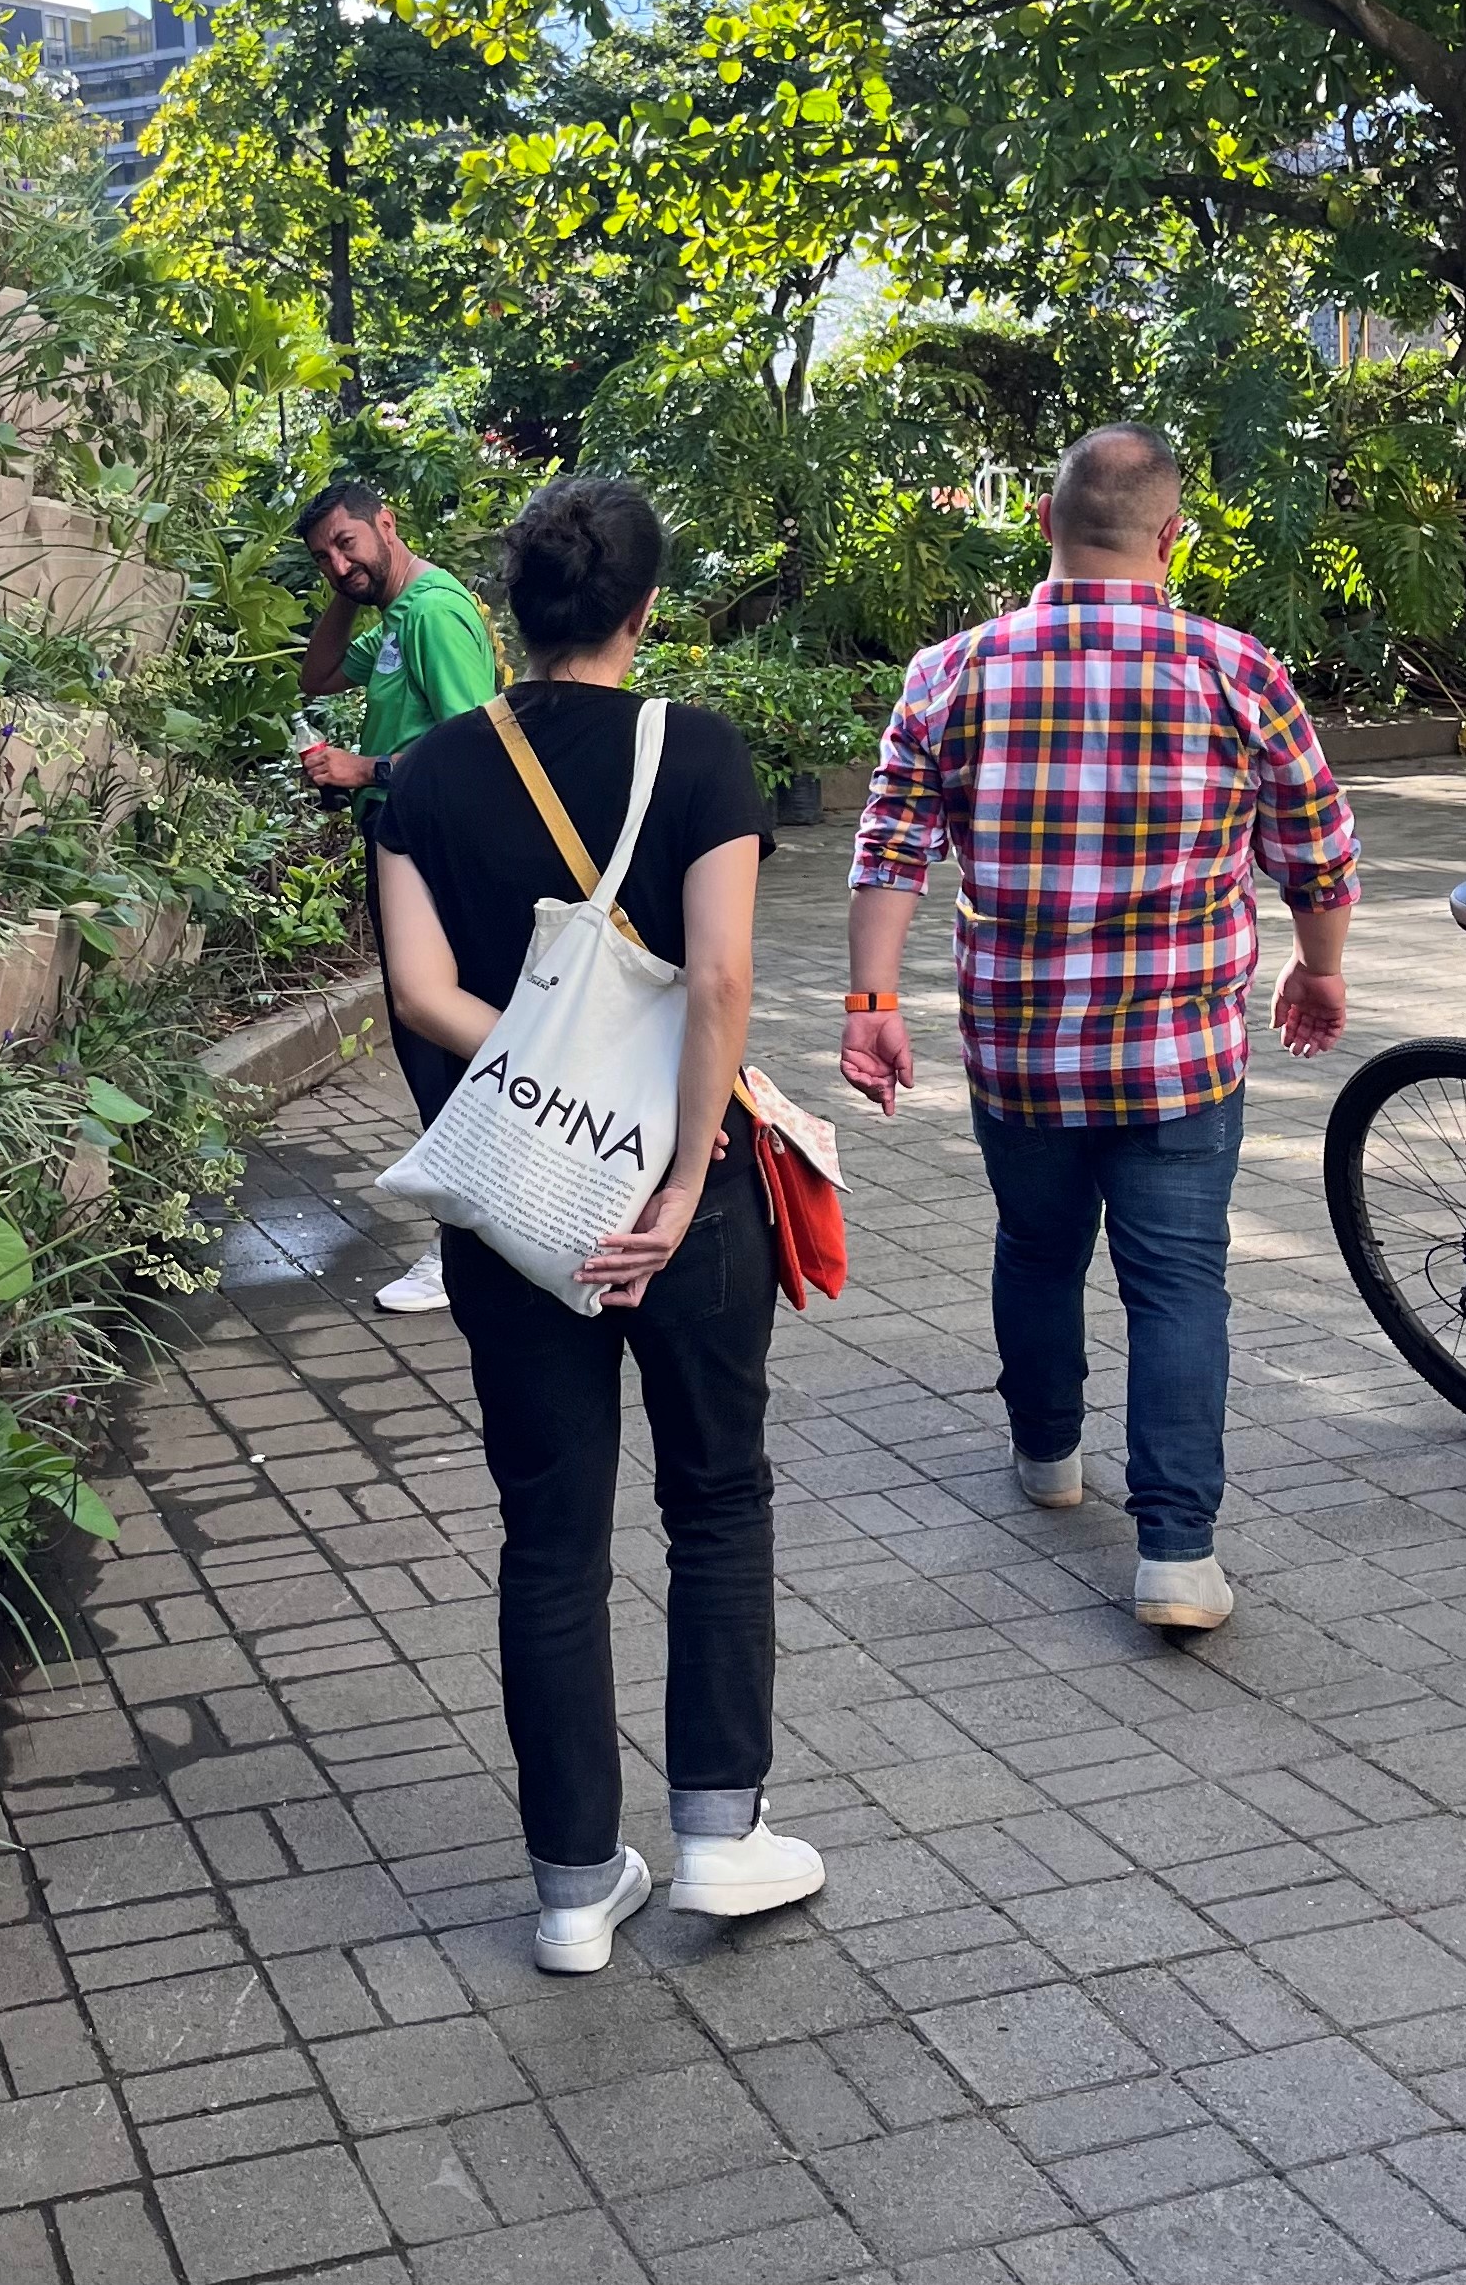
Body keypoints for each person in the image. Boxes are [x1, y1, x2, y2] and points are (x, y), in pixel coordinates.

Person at [377, 476, 821, 1975]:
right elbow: (720, 979)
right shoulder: (697, 750)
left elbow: (421, 993)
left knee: (550, 1537)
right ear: (645, 608)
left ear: (512, 609)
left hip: (519, 1203)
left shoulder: (424, 773)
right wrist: (680, 1171)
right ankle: (720, 1834)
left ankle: (573, 1886)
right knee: (717, 1498)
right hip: (687, 1197)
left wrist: (553, 1087)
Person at [841, 422, 1357, 1632]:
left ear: (1044, 521)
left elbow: (890, 848)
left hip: (1020, 1048)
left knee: (1036, 1246)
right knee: (1177, 1281)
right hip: (1181, 1052)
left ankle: (1047, 1453)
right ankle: (1175, 1553)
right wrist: (1319, 969)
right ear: (1173, 537)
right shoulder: (1239, 670)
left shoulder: (952, 671)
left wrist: (872, 1006)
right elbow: (1319, 850)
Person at [292, 478, 501, 1313]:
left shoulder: (433, 613)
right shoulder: (393, 616)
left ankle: (467, 1251)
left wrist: (364, 768)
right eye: (323, 558)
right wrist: (346, 589)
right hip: (403, 844)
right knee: (430, 1049)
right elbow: (316, 676)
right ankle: (478, 1236)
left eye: (347, 544)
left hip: (434, 856)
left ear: (387, 522)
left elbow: (479, 748)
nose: (338, 565)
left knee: (436, 1047)